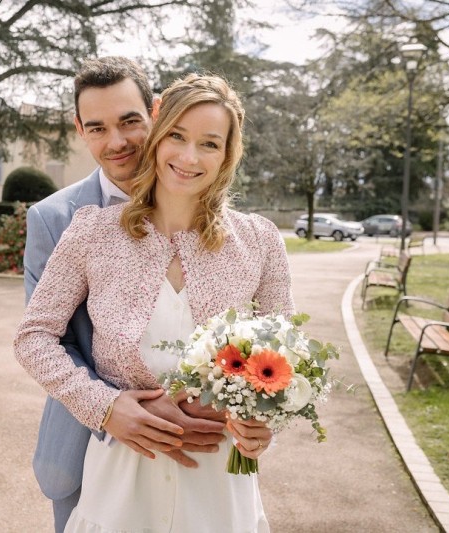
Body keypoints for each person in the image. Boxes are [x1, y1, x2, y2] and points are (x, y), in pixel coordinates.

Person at [16, 72, 294, 532]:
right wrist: (104, 405)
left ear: (227, 154)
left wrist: (263, 425)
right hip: (121, 478)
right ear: (159, 137)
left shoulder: (260, 242)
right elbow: (34, 336)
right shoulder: (92, 231)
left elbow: (282, 361)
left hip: (218, 483)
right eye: (178, 137)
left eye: (209, 144)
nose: (189, 157)